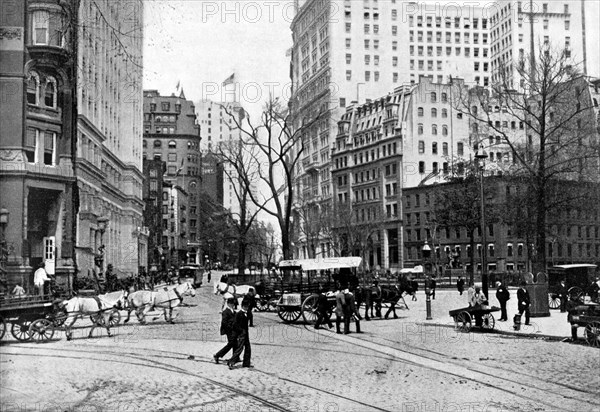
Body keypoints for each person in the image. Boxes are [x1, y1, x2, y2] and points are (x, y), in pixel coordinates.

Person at [227, 299, 252, 369]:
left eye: (247, 306)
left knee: (248, 349)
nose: (247, 308)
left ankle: (246, 363)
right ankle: (231, 362)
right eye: (245, 306)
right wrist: (240, 331)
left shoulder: (248, 313)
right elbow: (235, 325)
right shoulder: (239, 314)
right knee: (239, 349)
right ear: (242, 306)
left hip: (246, 334)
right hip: (241, 334)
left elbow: (250, 318)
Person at [214, 298, 236, 364]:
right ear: (228, 304)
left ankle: (235, 357)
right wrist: (230, 329)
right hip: (229, 330)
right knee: (231, 343)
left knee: (234, 343)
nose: (233, 305)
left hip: (233, 330)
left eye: (233, 303)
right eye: (231, 303)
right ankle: (217, 355)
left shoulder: (233, 311)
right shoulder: (225, 312)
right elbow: (224, 322)